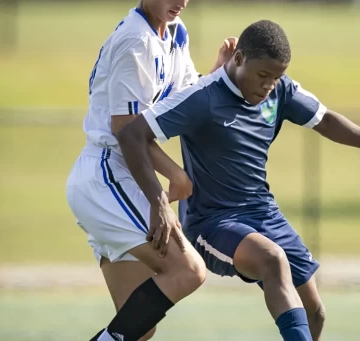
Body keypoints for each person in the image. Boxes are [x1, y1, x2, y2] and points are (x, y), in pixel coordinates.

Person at [115, 20, 360, 341]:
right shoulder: (203, 97)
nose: (269, 85)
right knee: (272, 259)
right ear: (239, 58)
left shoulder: (279, 91)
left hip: (263, 213)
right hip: (212, 224)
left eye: (277, 77)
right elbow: (132, 134)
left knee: (314, 312)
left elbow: (325, 120)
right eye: (263, 76)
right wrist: (158, 200)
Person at [65, 1, 237, 340]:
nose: (182, 1)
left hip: (119, 173)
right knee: (188, 271)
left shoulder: (175, 32)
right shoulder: (136, 40)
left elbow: (186, 98)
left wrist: (218, 73)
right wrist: (166, 188)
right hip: (107, 174)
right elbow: (125, 129)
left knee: (139, 329)